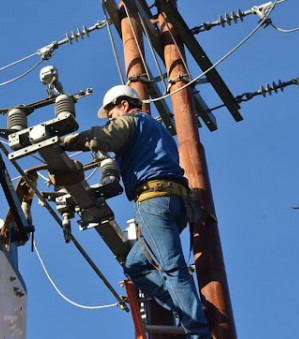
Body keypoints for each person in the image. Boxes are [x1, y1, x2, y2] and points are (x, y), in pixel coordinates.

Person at [62, 85, 211, 338]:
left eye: (111, 113)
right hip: (174, 204)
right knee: (135, 266)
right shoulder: (157, 128)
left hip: (153, 203)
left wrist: (66, 141)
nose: (110, 118)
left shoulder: (131, 121)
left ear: (124, 104)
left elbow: (105, 137)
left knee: (172, 269)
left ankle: (198, 332)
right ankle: (187, 309)